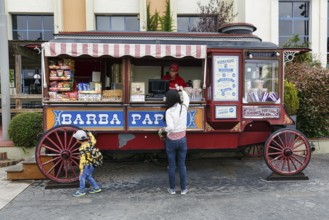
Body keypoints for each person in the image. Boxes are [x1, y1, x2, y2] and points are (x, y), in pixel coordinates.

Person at [160, 86, 190, 195]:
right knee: (182, 165)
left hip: (171, 141)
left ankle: (172, 189)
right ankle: (183, 189)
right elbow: (186, 98)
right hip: (182, 140)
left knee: (172, 166)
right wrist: (181, 90)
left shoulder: (168, 111)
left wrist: (163, 129)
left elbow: (171, 128)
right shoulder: (184, 107)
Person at [72, 130, 102, 197]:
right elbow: (94, 140)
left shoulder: (82, 148)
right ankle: (96, 188)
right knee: (88, 176)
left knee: (82, 177)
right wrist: (90, 134)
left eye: (76, 139)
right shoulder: (90, 143)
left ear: (78, 140)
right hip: (92, 163)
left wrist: (81, 170)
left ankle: (81, 191)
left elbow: (82, 160)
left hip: (86, 165)